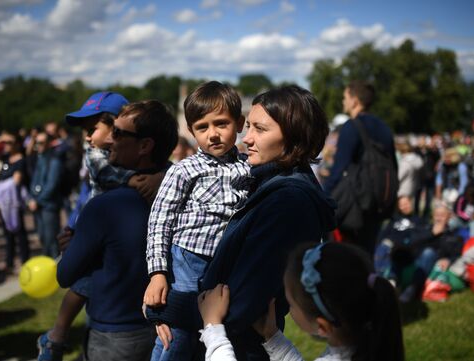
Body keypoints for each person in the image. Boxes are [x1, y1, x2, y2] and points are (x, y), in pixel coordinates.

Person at [145, 85, 336, 361]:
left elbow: (242, 303)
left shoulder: (287, 201)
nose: (247, 139)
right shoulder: (265, 180)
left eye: (259, 129)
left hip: (241, 346)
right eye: (248, 127)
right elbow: (162, 218)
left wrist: (162, 309)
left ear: (293, 134)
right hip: (217, 329)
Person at [57, 100, 178, 361]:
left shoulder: (103, 207)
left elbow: (65, 275)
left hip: (113, 336)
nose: (109, 140)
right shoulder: (181, 197)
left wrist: (75, 247)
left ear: (145, 146)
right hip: (167, 330)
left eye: (119, 133)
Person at [144, 81, 250, 361]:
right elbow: (159, 222)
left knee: (217, 335)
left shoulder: (250, 168)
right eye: (202, 127)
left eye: (221, 124)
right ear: (190, 131)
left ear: (239, 123)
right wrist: (157, 274)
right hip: (188, 263)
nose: (213, 134)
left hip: (226, 265)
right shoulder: (185, 170)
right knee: (176, 336)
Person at [197, 242, 405, 361]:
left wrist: (213, 327)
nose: (288, 307)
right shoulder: (366, 347)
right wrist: (272, 337)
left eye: (291, 303)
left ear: (322, 326)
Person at [323, 81, 396, 255]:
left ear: (355, 101)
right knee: (367, 254)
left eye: (345, 97)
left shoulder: (352, 126)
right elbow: (393, 165)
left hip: (357, 203)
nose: (343, 102)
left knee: (347, 255)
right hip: (379, 202)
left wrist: (324, 196)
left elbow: (339, 169)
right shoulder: (384, 128)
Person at [0, 133, 30, 275]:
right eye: (6, 143)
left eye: (10, 143)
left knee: (19, 231)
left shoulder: (21, 160)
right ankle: (9, 262)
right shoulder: (4, 158)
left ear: (17, 144)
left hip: (14, 201)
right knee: (7, 233)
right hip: (3, 202)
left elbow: (16, 181)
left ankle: (25, 261)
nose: (7, 146)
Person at [28, 131, 63, 258]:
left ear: (49, 143)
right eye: (37, 143)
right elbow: (34, 180)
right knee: (43, 238)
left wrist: (37, 200)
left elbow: (51, 185)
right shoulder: (40, 158)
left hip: (49, 206)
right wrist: (31, 198)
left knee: (52, 240)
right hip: (38, 205)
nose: (38, 146)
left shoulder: (55, 160)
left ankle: (56, 272)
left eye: (41, 143)